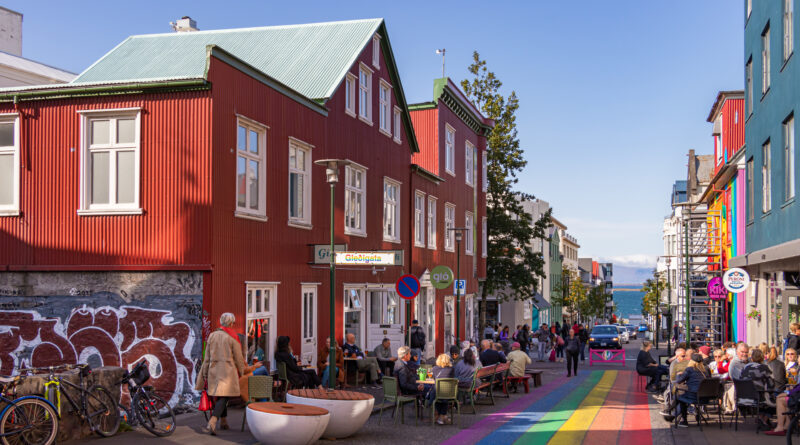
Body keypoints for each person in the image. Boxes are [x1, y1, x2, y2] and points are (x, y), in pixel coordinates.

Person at [195, 313, 245, 435]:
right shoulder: (233, 337)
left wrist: (205, 373)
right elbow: (238, 357)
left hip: (214, 370)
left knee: (220, 396)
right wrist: (241, 371)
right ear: (231, 323)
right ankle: (213, 421)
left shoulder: (212, 335)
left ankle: (223, 421)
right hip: (227, 371)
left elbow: (207, 357)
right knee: (224, 397)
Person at [673, 353, 710, 428]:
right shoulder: (705, 370)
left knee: (680, 397)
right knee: (684, 396)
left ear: (691, 361)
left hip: (694, 396)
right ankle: (697, 414)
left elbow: (679, 381)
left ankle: (684, 420)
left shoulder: (689, 369)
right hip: (706, 397)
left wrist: (679, 374)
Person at [426, 353, 455, 425]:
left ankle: (439, 415)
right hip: (449, 393)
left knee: (437, 394)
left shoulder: (434, 369)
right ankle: (442, 416)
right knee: (444, 396)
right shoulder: (452, 369)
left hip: (437, 393)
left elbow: (431, 378)